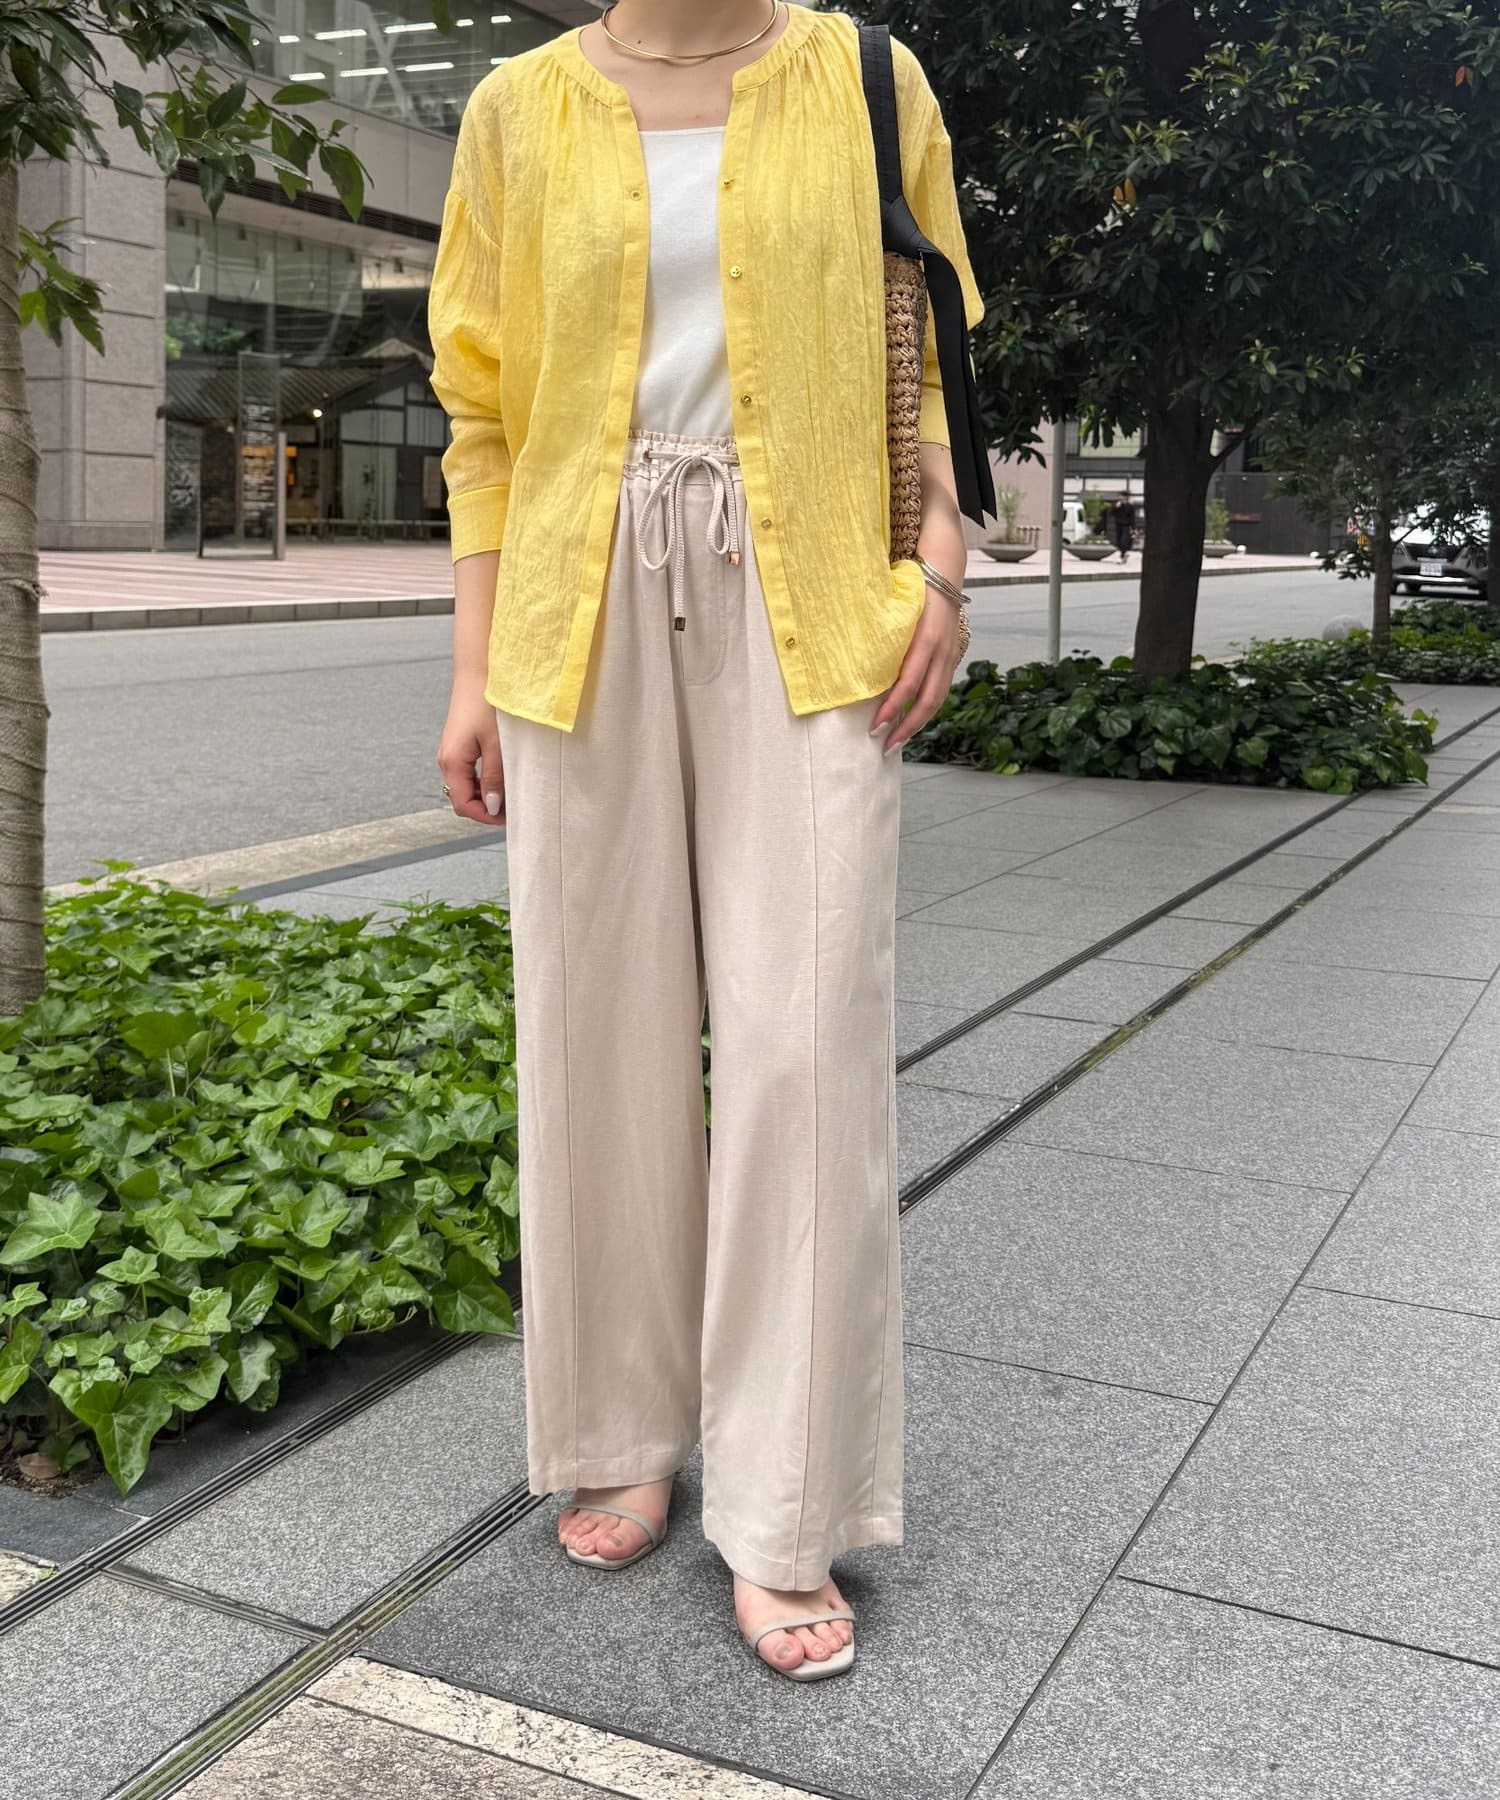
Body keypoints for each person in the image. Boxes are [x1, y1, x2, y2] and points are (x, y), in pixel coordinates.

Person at [428, 0, 985, 1682]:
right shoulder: (516, 110)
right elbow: (482, 418)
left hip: (808, 590)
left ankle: (787, 1503)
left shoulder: (866, 77)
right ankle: (622, 1426)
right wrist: (469, 670)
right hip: (574, 601)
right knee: (595, 1035)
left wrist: (943, 565)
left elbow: (932, 351)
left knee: (807, 1042)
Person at [1111, 491, 1137, 561]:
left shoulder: (1130, 506)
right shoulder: (1117, 505)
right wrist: (1116, 507)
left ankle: (1123, 555)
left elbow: (1132, 518)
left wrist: (1133, 528)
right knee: (1118, 541)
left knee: (1124, 540)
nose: (1119, 497)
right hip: (1118, 525)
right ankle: (1123, 554)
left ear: (1125, 497)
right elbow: (1112, 513)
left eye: (1120, 496)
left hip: (1126, 525)